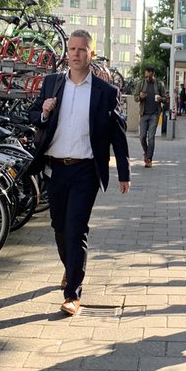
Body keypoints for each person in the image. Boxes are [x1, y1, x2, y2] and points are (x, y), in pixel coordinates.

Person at [28, 29, 131, 316]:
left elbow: (117, 134)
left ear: (91, 54)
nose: (75, 54)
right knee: (59, 229)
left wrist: (124, 171)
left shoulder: (105, 92)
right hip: (56, 169)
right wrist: (44, 111)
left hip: (86, 170)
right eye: (72, 49)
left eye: (82, 50)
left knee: (76, 230)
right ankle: (70, 267)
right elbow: (32, 115)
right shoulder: (52, 84)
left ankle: (72, 293)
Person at [133, 65, 165, 167]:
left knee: (151, 137)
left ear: (153, 74)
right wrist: (140, 97)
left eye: (149, 77)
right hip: (144, 114)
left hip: (154, 114)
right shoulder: (141, 84)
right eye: (146, 77)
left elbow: (165, 98)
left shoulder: (159, 84)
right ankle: (146, 153)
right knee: (142, 137)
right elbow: (135, 98)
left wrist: (161, 99)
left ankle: (149, 159)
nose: (147, 79)